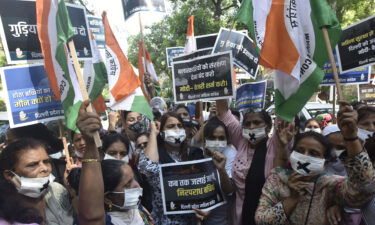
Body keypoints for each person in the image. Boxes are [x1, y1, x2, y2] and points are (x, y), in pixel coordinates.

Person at [255, 101, 375, 225]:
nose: (305, 156)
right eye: (300, 151)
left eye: (314, 153)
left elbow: (364, 189)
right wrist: (292, 199)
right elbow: (262, 221)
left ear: (325, 161)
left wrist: (351, 137)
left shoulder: (331, 185)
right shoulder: (277, 180)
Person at [75, 100, 153, 225]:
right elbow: (91, 218)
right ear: (108, 198)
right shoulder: (107, 221)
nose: (137, 186)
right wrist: (90, 143)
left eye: (133, 180)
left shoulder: (139, 212)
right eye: (127, 184)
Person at [138, 112, 204, 225]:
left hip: (191, 220)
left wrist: (206, 208)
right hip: (164, 220)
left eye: (179, 125)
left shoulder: (194, 153)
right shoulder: (154, 154)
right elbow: (147, 168)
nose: (176, 129)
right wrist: (153, 133)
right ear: (162, 132)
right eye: (170, 126)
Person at [216, 99, 274, 225]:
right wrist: (221, 80)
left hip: (265, 215)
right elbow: (223, 111)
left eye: (257, 122)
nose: (251, 127)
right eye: (247, 124)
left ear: (268, 127)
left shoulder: (274, 146)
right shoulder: (241, 141)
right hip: (238, 214)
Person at [0, 138, 73, 225]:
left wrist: (72, 191)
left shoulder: (57, 190)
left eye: (46, 162)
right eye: (32, 165)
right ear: (10, 175)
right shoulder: (4, 213)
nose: (45, 168)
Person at [202, 117, 236, 225]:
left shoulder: (231, 154)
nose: (217, 142)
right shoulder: (196, 154)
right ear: (205, 139)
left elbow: (229, 191)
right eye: (212, 138)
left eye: (221, 138)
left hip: (221, 218)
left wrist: (221, 169)